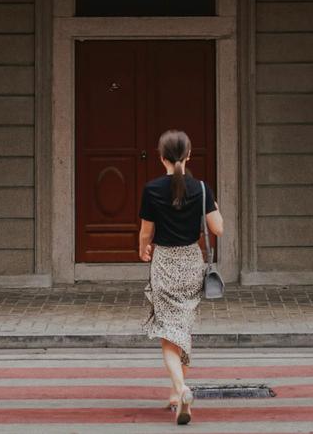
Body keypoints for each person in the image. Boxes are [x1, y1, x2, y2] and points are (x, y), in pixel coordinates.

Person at [139, 129, 224, 426]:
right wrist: (211, 204)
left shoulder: (152, 189)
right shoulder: (201, 188)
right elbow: (218, 229)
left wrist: (142, 249)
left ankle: (182, 389)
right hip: (191, 262)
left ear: (161, 157)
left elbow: (146, 232)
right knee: (183, 328)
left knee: (167, 332)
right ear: (189, 155)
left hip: (164, 263)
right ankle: (176, 399)